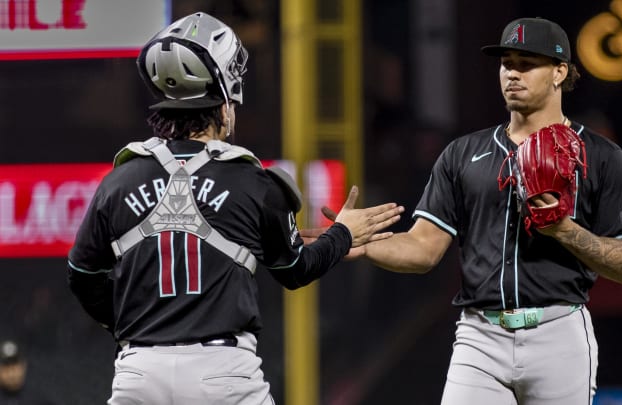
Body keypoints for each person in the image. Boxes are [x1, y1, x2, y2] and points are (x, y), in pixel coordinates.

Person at [66, 12, 404, 405]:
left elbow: (81, 276)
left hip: (140, 371)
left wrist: (130, 322)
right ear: (222, 103)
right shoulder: (253, 181)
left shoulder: (117, 182)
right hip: (222, 372)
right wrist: (342, 234)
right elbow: (295, 270)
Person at [307, 17, 622, 405]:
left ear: (559, 72)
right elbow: (423, 249)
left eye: (526, 63)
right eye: (507, 63)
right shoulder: (463, 155)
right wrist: (362, 245)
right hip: (481, 336)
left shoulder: (601, 158)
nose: (512, 73)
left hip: (558, 332)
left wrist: (564, 230)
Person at [0, 339, 55, 404]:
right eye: (6, 368)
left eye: (14, 368)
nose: (12, 375)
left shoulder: (38, 399)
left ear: (24, 366)